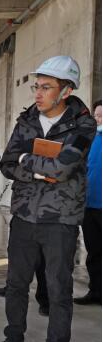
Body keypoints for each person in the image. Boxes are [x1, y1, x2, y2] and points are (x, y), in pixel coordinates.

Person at [0, 56, 96, 342]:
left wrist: (27, 159)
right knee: (16, 284)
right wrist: (37, 169)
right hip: (24, 216)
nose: (38, 92)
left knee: (59, 291)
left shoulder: (83, 125)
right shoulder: (27, 120)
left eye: (46, 87)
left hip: (60, 221)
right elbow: (7, 164)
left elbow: (63, 168)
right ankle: (14, 340)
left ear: (66, 91)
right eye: (37, 86)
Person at [74, 100, 101, 305]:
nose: (98, 119)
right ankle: (96, 291)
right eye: (96, 115)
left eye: (102, 115)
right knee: (94, 251)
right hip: (89, 204)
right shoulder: (88, 139)